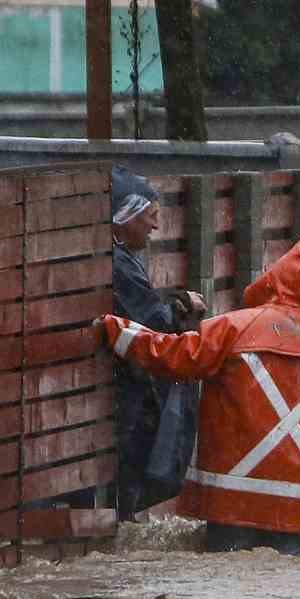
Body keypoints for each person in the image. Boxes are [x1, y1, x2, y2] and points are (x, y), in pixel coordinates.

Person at [95, 236, 300, 556]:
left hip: (229, 503)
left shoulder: (233, 328)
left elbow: (172, 355)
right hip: (299, 512)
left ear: (271, 282)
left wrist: (116, 330)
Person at [109, 166, 207, 522]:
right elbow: (152, 323)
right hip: (126, 396)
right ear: (126, 217)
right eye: (149, 217)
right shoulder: (120, 264)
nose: (154, 227)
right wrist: (183, 309)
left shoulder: (122, 259)